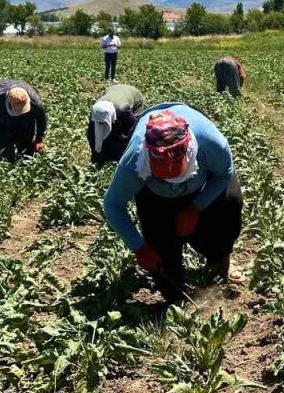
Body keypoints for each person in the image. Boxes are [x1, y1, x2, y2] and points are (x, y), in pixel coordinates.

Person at [102, 104, 244, 304]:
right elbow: (112, 205)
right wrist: (140, 248)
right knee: (164, 267)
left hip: (202, 185)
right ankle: (176, 295)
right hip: (155, 197)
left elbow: (224, 174)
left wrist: (196, 208)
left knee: (229, 205)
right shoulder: (135, 162)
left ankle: (219, 261)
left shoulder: (211, 143)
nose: (169, 173)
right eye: (162, 171)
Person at [0, 79, 47, 162]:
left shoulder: (35, 102)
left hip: (24, 108)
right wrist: (2, 142)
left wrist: (39, 139)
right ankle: (5, 161)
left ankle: (25, 160)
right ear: (9, 103)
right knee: (3, 147)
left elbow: (41, 120)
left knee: (27, 143)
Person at [88, 84, 146, 166]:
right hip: (112, 89)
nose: (101, 124)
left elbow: (132, 125)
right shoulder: (96, 109)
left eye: (103, 121)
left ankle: (124, 156)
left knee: (129, 132)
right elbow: (92, 132)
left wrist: (123, 136)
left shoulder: (123, 109)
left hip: (134, 95)